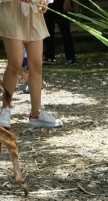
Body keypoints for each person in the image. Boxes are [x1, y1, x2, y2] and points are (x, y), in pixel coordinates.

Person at [1, 0, 62, 129]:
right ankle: (5, 109)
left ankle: (36, 113)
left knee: (37, 64)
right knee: (15, 63)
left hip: (33, 12)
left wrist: (44, 1)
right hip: (11, 10)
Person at [43, 0, 74, 65]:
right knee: (48, 30)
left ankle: (70, 57)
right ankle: (49, 56)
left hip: (60, 3)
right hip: (47, 3)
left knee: (65, 30)